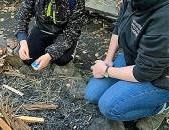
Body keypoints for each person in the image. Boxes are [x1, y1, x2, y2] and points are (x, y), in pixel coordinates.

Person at [84, 0, 169, 129]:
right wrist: (108, 60)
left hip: (159, 76)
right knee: (93, 94)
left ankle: (162, 106)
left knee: (109, 107)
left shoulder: (164, 19)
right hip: (135, 57)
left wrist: (105, 70)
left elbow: (143, 72)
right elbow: (119, 25)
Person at [15, 0, 85, 71]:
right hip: (42, 28)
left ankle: (72, 46)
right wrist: (22, 41)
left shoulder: (75, 1)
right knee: (28, 59)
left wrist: (50, 55)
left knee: (61, 60)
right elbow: (22, 16)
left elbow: (72, 31)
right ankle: (46, 46)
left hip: (63, 33)